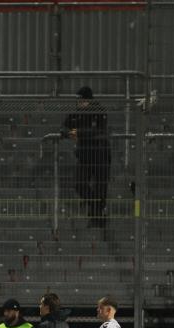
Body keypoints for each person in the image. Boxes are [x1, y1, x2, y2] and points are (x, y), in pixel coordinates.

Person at [62, 86, 111, 227]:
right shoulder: (77, 113)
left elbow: (98, 130)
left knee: (101, 187)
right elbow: (64, 126)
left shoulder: (99, 111)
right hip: (85, 155)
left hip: (100, 154)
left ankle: (98, 217)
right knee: (79, 184)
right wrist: (69, 132)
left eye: (81, 100)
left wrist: (78, 133)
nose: (78, 103)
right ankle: (97, 207)